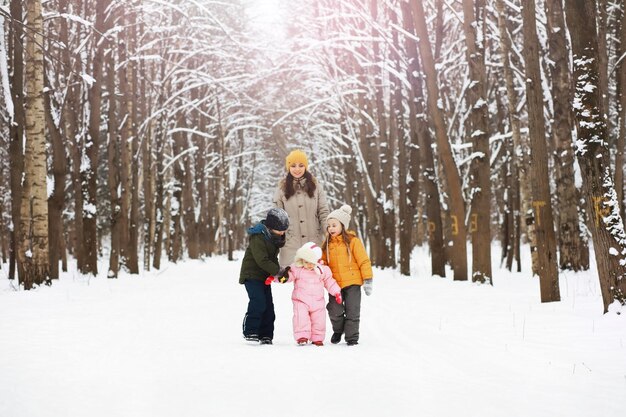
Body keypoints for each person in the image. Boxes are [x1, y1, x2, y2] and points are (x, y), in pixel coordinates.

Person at [266, 242, 342, 346]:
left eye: (312, 262)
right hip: (301, 301)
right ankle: (302, 336)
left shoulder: (322, 270)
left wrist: (337, 292)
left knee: (319, 320)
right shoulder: (297, 269)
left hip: (318, 302)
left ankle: (317, 338)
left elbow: (330, 282)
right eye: (306, 262)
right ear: (302, 260)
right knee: (301, 318)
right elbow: (287, 276)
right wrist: (274, 278)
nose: (309, 265)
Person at [321, 205, 373, 346]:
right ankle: (338, 330)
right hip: (335, 284)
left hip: (353, 282)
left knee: (352, 310)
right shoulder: (326, 244)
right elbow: (323, 263)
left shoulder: (353, 241)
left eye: (334, 225)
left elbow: (363, 260)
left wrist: (367, 279)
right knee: (334, 309)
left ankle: (351, 337)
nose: (331, 228)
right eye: (329, 226)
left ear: (342, 225)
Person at [239, 207, 290, 345]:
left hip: (263, 277)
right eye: (281, 229)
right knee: (258, 302)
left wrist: (281, 273)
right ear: (271, 227)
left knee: (269, 307)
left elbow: (272, 260)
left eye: (284, 229)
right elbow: (262, 260)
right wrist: (277, 271)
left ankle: (266, 335)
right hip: (251, 275)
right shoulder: (259, 237)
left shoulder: (274, 238)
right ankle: (250, 331)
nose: (283, 232)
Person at [273, 150, 329, 267]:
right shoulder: (281, 188)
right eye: (293, 166)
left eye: (301, 165)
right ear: (289, 167)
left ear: (306, 167)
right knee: (295, 278)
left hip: (314, 242)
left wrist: (328, 231)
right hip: (291, 244)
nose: (297, 169)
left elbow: (323, 211)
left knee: (314, 279)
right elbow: (277, 217)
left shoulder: (316, 186)